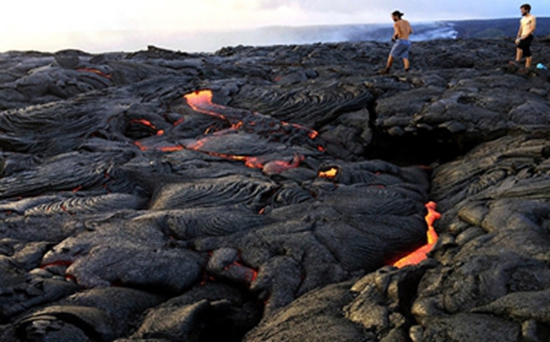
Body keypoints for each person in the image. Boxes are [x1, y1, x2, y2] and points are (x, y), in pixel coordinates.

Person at [511, 4, 536, 68]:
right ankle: (527, 67)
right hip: (522, 36)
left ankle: (517, 62)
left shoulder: (532, 17)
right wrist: (518, 36)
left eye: (522, 10)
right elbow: (521, 28)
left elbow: (532, 28)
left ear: (527, 10)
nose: (521, 12)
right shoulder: (522, 19)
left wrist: (526, 36)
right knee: (526, 51)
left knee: (519, 47)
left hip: (528, 36)